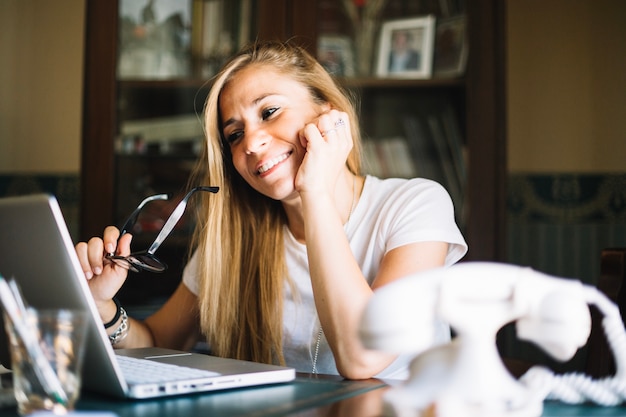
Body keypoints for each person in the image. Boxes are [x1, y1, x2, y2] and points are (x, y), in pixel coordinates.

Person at [75, 40, 467, 380]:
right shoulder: (234, 238)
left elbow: (362, 357)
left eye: (269, 112)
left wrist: (314, 190)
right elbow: (159, 342)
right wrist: (103, 307)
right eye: (235, 134)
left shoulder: (416, 206)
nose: (252, 143)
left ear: (327, 112)